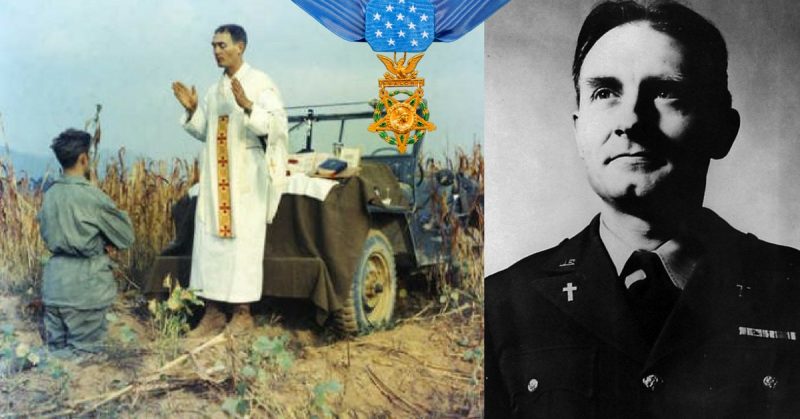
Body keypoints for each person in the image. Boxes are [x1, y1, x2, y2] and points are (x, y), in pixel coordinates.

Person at [484, 1, 800, 417]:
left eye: (667, 91)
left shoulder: (789, 288)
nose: (631, 120)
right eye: (604, 92)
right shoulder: (501, 305)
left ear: (723, 129)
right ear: (579, 130)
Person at [171, 24, 288, 335]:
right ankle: (212, 313)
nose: (216, 51)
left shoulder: (261, 83)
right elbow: (202, 131)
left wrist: (249, 106)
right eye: (213, 46)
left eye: (222, 45)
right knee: (210, 243)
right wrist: (193, 109)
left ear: (241, 47)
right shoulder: (213, 90)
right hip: (215, 180)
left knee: (242, 246)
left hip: (245, 179)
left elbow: (277, 126)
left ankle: (242, 314)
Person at [38, 129, 135, 359]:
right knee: (84, 360)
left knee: (56, 357)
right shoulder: (92, 196)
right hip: (85, 291)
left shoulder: (49, 194)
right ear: (84, 158)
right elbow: (126, 236)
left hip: (54, 289)